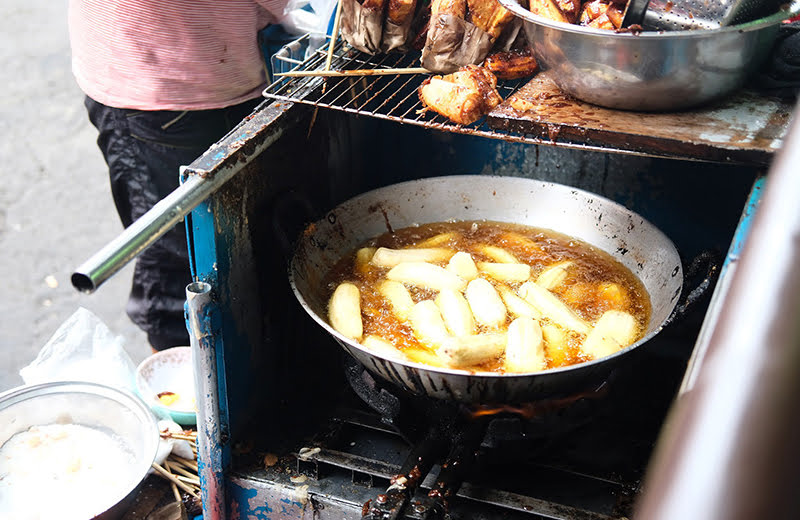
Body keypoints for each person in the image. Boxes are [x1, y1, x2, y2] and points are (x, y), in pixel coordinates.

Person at [69, 0, 288, 351]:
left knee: (254, 250)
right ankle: (181, 398)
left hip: (239, 60)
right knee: (181, 276)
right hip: (159, 85)